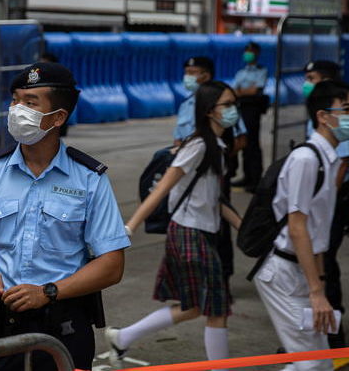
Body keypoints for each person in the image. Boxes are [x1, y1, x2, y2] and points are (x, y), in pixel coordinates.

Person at [0, 62, 129, 370]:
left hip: (62, 331)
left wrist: (49, 292)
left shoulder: (89, 179)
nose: (18, 109)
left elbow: (111, 266)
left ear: (58, 117)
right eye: (16, 100)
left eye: (30, 103)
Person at [106, 81, 243, 370]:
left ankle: (123, 336)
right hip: (188, 233)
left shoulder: (217, 146)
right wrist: (130, 226)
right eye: (227, 105)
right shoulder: (198, 146)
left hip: (201, 233)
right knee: (217, 308)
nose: (233, 111)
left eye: (234, 104)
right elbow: (162, 189)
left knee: (194, 307)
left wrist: (244, 228)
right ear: (209, 111)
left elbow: (215, 199)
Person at [254, 80, 349, 371]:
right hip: (283, 274)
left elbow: (318, 234)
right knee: (313, 362)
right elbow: (297, 226)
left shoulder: (330, 159)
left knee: (318, 361)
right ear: (323, 116)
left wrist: (320, 285)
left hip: (303, 271)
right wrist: (316, 292)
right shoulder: (306, 159)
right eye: (346, 109)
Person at [173, 56, 247, 284]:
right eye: (186, 71)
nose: (188, 76)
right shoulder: (186, 104)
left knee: (219, 220)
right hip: (188, 174)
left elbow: (241, 138)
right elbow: (177, 140)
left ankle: (222, 275)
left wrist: (217, 158)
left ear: (206, 75)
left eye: (193, 72)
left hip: (214, 171)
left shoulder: (223, 104)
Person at [302, 60, 349, 349]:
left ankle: (332, 334)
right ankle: (316, 334)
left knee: (327, 267)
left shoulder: (332, 140)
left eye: (311, 78)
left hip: (335, 201)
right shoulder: (310, 153)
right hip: (324, 204)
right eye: (348, 110)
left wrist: (328, 199)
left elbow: (343, 163)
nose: (306, 82)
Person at [232, 42, 268, 193]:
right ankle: (246, 176)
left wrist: (243, 91)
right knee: (243, 142)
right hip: (241, 108)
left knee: (253, 144)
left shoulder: (261, 71)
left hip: (253, 109)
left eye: (251, 51)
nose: (248, 54)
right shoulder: (241, 72)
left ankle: (255, 179)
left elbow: (255, 91)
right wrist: (244, 91)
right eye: (246, 50)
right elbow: (235, 91)